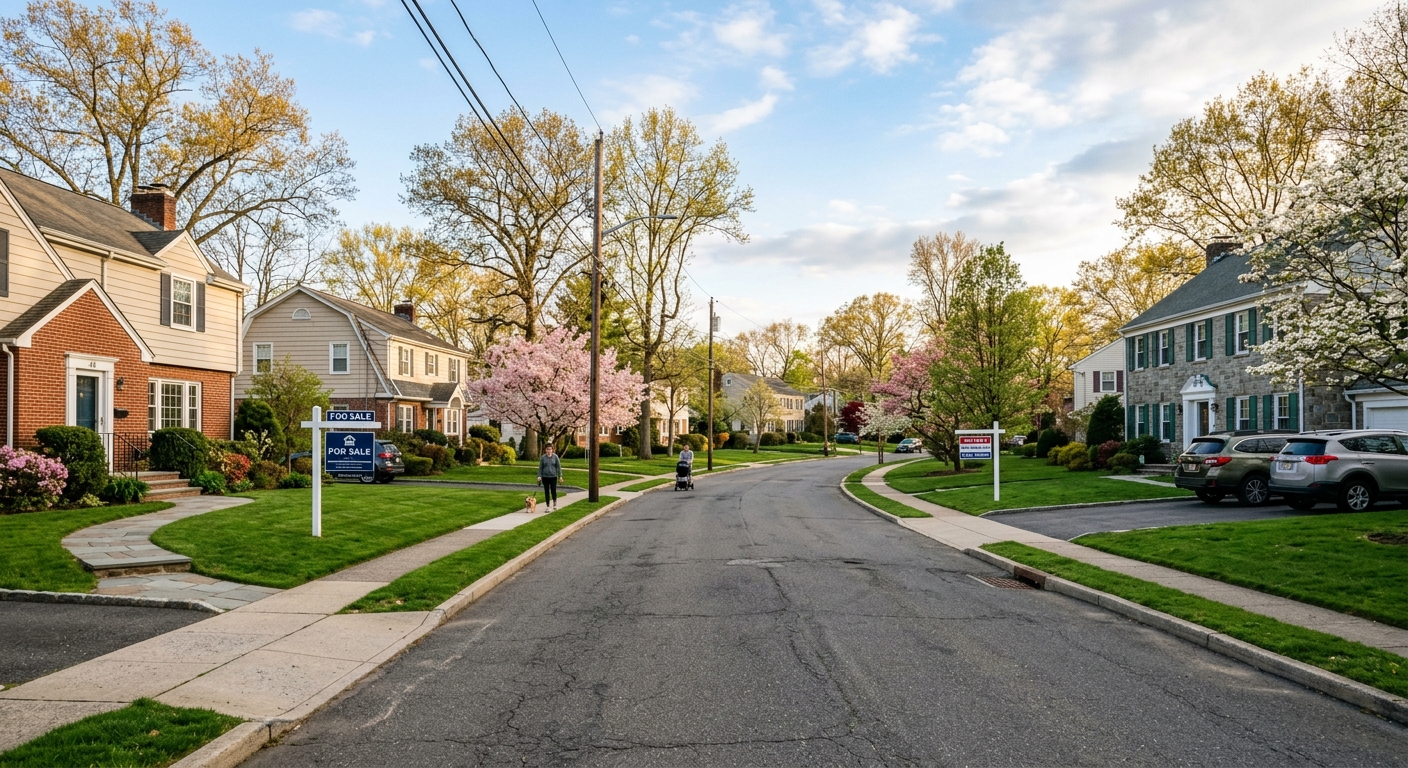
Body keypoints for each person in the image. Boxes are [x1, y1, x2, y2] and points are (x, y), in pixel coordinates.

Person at [537, 444, 562, 511]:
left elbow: (558, 467)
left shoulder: (555, 457)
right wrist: (539, 476)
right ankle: (547, 506)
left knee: (553, 490)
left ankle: (554, 503)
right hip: (545, 477)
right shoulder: (543, 458)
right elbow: (540, 468)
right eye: (547, 449)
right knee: (546, 491)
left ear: (552, 450)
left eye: (550, 449)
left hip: (553, 477)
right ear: (545, 450)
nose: (549, 451)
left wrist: (560, 476)